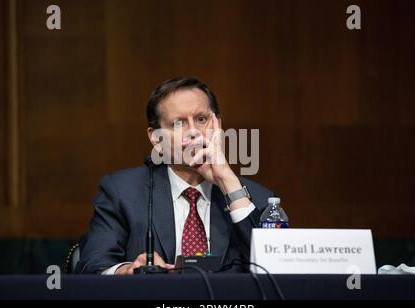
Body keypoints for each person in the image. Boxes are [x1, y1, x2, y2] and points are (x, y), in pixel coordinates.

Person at [75, 77, 275, 274]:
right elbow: (92, 265)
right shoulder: (122, 193)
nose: (193, 132)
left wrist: (228, 183)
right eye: (178, 124)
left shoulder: (257, 200)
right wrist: (128, 271)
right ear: (156, 139)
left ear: (218, 125)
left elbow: (277, 270)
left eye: (201, 119)